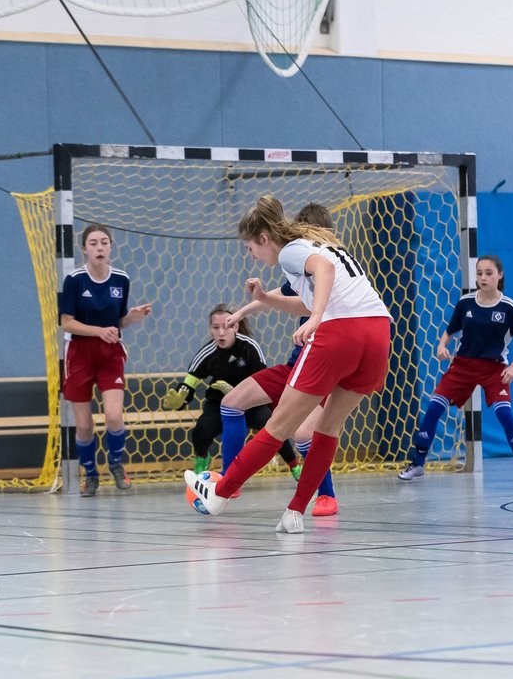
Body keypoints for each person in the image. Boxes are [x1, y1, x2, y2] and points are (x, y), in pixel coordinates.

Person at [185, 195, 392, 533]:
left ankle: (219, 493)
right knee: (327, 428)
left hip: (341, 332)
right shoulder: (321, 249)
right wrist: (265, 299)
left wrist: (319, 318)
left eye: (251, 248)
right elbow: (307, 299)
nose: (251, 255)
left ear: (265, 238)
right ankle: (295, 511)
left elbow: (321, 278)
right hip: (378, 333)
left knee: (278, 426)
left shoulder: (292, 250)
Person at [217, 202, 340, 517]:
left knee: (301, 434)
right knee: (232, 402)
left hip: (323, 370)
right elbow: (285, 297)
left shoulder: (331, 272)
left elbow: (310, 305)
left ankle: (326, 496)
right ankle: (230, 480)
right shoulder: (300, 267)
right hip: (295, 365)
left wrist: (315, 318)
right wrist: (242, 312)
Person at [398, 255, 513, 482]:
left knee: (504, 413)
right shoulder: (465, 303)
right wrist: (442, 346)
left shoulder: (509, 307)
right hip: (463, 365)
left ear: (499, 275)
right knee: (433, 408)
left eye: (488, 273)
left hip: (494, 369)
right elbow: (450, 331)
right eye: (479, 273)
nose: (483, 277)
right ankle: (418, 462)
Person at [58, 224, 152, 496]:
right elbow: (66, 323)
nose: (99, 247)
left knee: (113, 416)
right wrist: (98, 331)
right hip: (79, 354)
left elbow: (118, 322)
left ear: (111, 247)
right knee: (85, 424)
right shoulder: (74, 280)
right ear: (84, 249)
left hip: (110, 353)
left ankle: (116, 465)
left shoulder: (121, 279)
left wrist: (131, 319)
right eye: (93, 243)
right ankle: (90, 474)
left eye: (104, 243)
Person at [161, 304, 303, 479]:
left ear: (235, 326)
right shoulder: (207, 353)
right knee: (201, 430)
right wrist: (181, 398)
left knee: (272, 425)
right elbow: (189, 382)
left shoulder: (249, 347)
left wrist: (236, 392)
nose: (221, 332)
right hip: (219, 403)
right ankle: (202, 459)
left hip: (252, 402)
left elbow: (263, 380)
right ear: (210, 330)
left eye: (227, 326)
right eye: (216, 327)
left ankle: (293, 464)